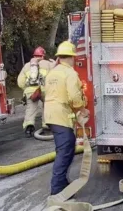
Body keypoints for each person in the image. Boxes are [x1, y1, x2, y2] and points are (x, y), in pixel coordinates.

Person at [43, 40, 85, 196]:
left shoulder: (52, 73)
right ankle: (57, 188)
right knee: (65, 150)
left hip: (50, 114)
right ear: (72, 57)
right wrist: (82, 108)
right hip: (60, 115)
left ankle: (63, 182)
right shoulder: (70, 73)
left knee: (66, 147)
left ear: (59, 57)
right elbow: (73, 96)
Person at [16, 46, 54, 137]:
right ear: (42, 56)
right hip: (44, 89)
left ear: (34, 56)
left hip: (30, 91)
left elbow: (20, 83)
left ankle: (29, 127)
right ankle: (47, 124)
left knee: (31, 109)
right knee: (48, 105)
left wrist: (27, 89)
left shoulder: (26, 66)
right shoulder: (48, 64)